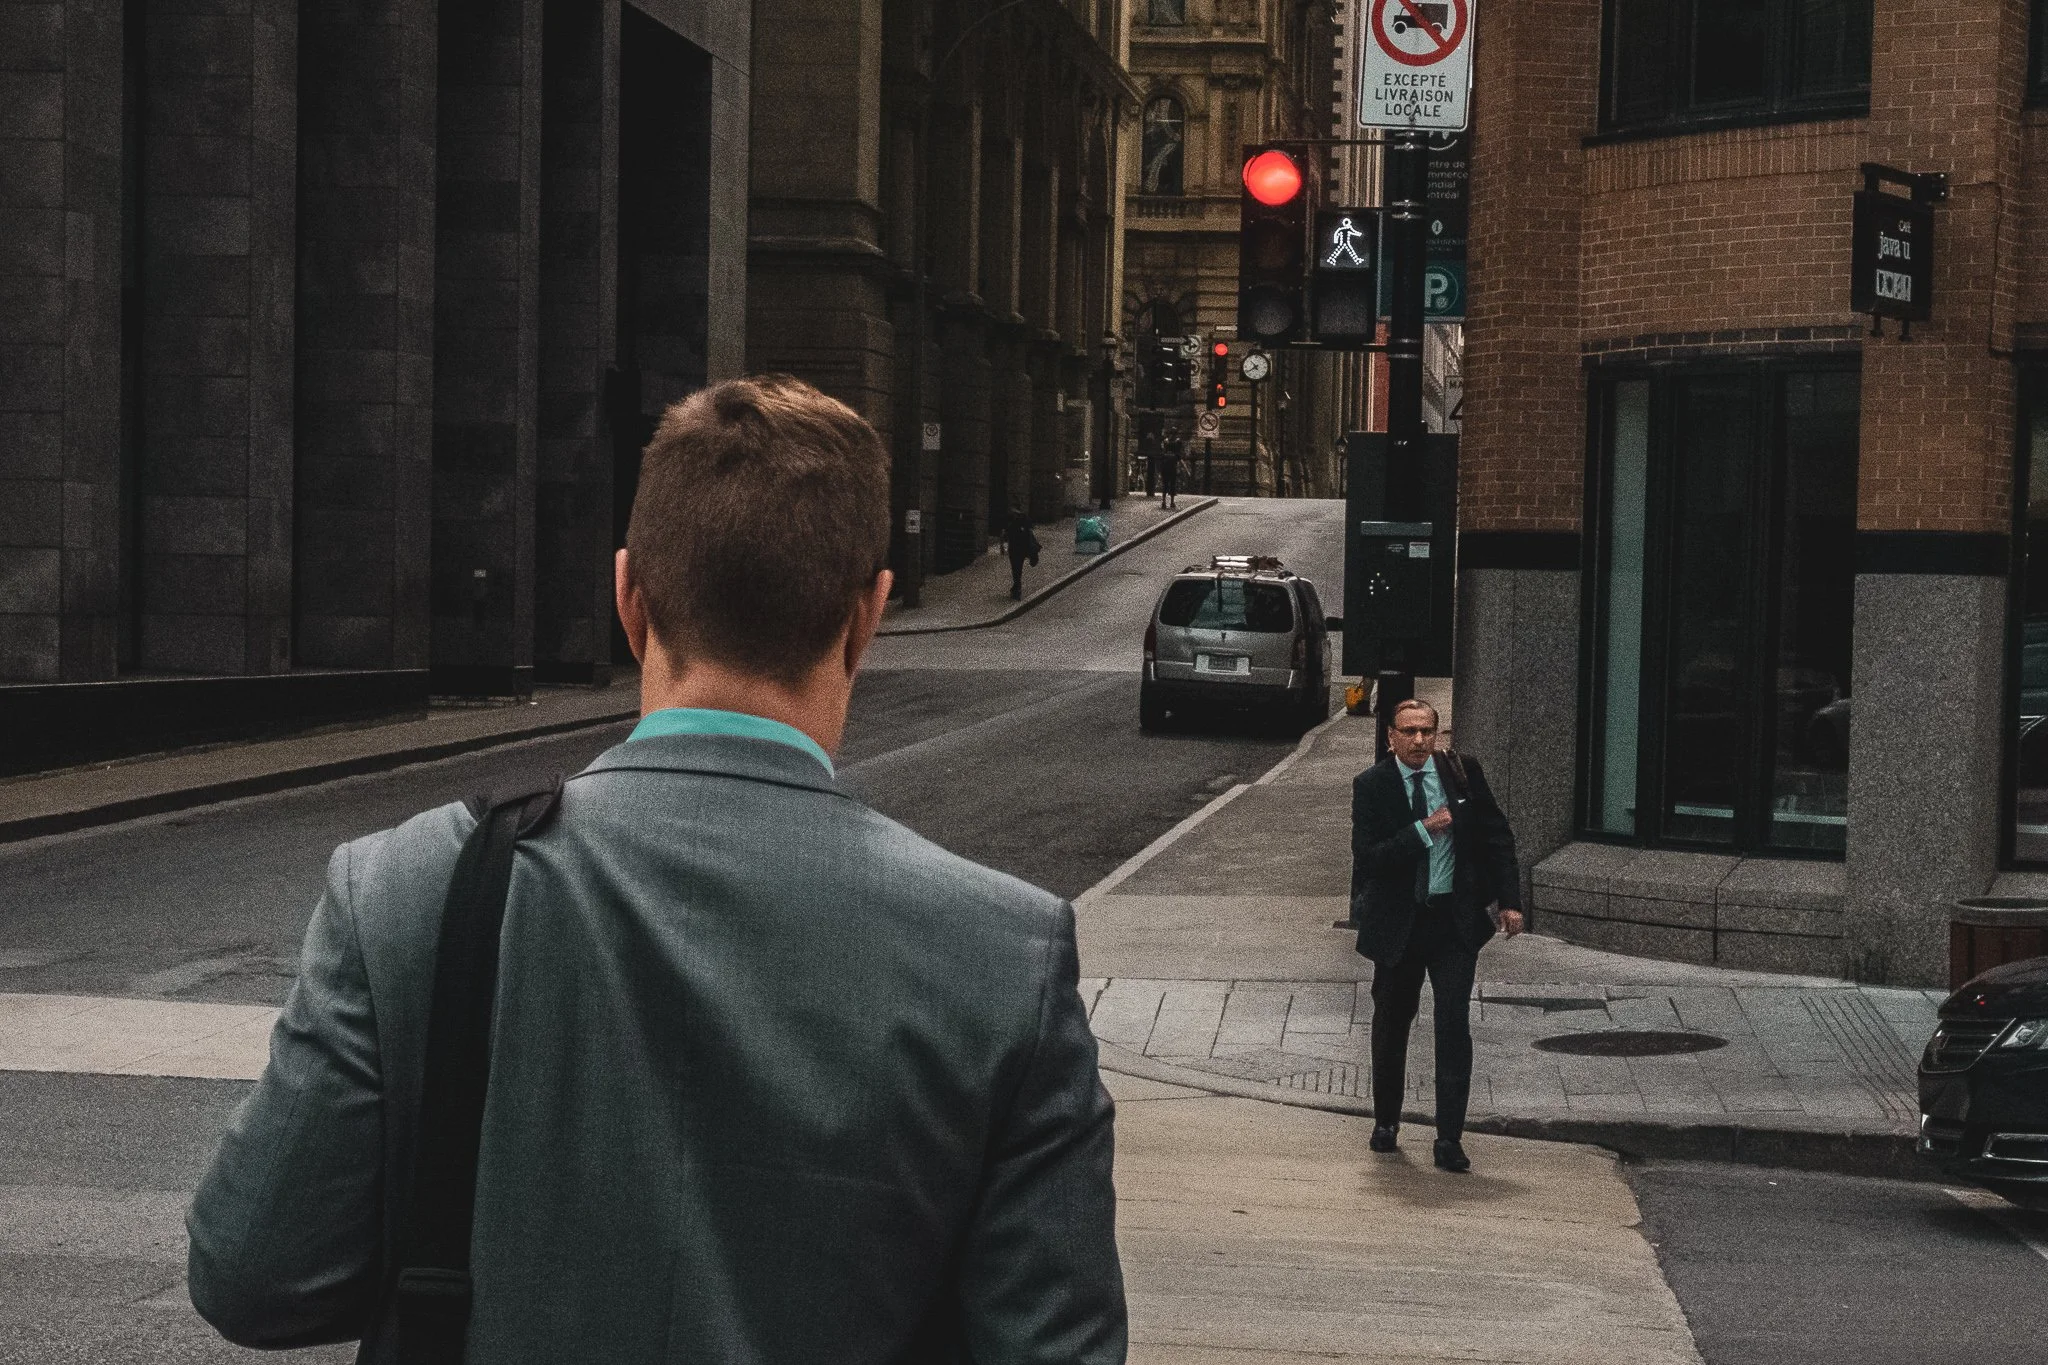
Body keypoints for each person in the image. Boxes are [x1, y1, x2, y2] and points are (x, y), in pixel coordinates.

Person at [186, 375, 1127, 1362]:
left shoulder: (411, 888)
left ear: (630, 598)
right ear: (866, 617)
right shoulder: (1002, 955)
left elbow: (254, 1278)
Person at [1350, 697, 1523, 1174]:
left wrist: (1510, 901)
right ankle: (1386, 1122)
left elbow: (1496, 837)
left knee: (1453, 1025)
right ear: (1391, 737)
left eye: (1427, 731)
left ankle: (1450, 1138)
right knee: (1392, 1023)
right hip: (1400, 925)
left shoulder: (1462, 773)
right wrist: (1424, 831)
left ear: (1438, 733)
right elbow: (1368, 858)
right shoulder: (1372, 785)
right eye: (1409, 731)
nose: (1419, 740)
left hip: (1452, 923)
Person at [1001, 506, 1041, 601]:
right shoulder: (1025, 520)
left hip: (1014, 549)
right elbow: (1030, 533)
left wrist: (1003, 546)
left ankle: (1017, 588)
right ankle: (1016, 587)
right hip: (1022, 549)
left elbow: (1006, 535)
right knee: (1018, 569)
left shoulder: (1012, 522)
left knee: (1016, 569)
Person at [1160, 437, 1184, 510]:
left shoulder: (1164, 455)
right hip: (1173, 471)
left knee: (1165, 485)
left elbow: (1160, 463)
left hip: (1165, 471)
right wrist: (1187, 471)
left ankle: (1164, 502)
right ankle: (1172, 502)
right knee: (1172, 485)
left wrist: (1159, 472)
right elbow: (1182, 462)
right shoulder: (1176, 455)